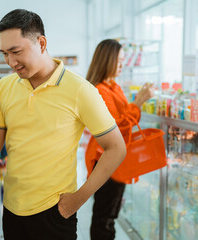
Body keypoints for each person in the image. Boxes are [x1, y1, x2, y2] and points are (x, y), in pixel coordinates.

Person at [0, 9, 126, 240]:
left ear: (41, 43)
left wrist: (79, 199)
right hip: (12, 209)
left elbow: (116, 147)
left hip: (55, 212)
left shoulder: (80, 90)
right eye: (5, 53)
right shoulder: (3, 88)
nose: (11, 62)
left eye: (16, 51)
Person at [85, 39, 153, 240]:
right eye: (120, 60)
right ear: (108, 60)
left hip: (116, 159)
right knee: (104, 216)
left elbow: (126, 120)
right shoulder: (101, 90)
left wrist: (136, 105)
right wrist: (138, 101)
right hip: (105, 160)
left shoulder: (113, 87)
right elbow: (115, 126)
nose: (122, 65)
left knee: (110, 213)